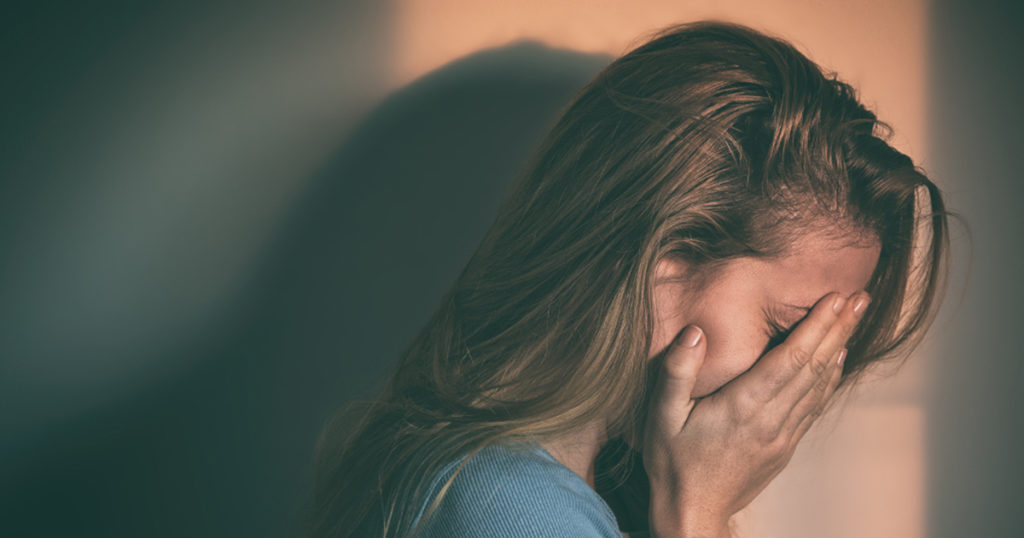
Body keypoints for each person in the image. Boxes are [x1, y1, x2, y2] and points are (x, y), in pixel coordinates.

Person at [308, 21, 949, 538]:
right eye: (786, 329)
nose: (798, 380)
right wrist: (698, 514)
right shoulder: (518, 512)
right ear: (663, 260)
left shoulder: (516, 479)